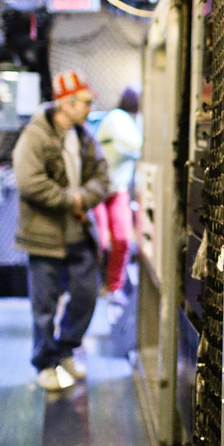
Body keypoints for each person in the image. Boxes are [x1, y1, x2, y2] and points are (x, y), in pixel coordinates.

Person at [13, 69, 109, 391]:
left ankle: (66, 350)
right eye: (84, 101)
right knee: (45, 306)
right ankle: (45, 363)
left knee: (86, 296)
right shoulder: (36, 135)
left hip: (79, 236)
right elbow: (30, 182)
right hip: (44, 238)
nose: (88, 108)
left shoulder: (84, 136)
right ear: (66, 103)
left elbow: (102, 176)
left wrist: (84, 196)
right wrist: (72, 200)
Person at [91, 84, 142, 319]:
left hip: (118, 191)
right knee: (100, 241)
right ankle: (93, 286)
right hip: (99, 191)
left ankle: (113, 287)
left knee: (122, 239)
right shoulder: (116, 119)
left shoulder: (132, 121)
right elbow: (135, 146)